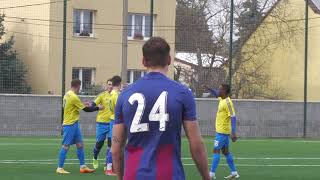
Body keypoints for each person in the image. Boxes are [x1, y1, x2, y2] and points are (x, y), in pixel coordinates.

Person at [111, 37, 210, 180]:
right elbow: (196, 143)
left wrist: (121, 177)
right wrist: (206, 177)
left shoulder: (125, 95)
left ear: (144, 61)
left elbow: (115, 149)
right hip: (169, 174)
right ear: (169, 60)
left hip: (135, 174)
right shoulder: (182, 93)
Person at [56, 79, 103, 174]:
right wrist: (98, 108)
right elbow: (86, 110)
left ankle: (83, 167)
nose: (79, 89)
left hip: (74, 124)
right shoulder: (73, 96)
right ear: (78, 86)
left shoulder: (67, 94)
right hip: (69, 124)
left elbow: (74, 106)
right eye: (79, 87)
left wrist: (83, 104)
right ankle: (59, 168)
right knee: (65, 146)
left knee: (80, 144)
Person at [203, 84, 240, 179]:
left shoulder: (228, 102)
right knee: (226, 152)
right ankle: (234, 172)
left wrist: (233, 131)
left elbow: (233, 117)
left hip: (222, 132)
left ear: (224, 91)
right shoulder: (222, 99)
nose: (218, 90)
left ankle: (211, 174)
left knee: (216, 150)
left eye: (220, 89)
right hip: (222, 131)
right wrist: (209, 88)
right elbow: (216, 93)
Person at [92, 80, 113, 171]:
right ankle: (95, 157)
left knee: (110, 144)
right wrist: (93, 106)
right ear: (106, 85)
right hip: (101, 123)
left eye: (112, 85)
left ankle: (107, 164)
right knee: (99, 144)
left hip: (111, 123)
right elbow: (93, 104)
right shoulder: (102, 95)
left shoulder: (116, 95)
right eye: (109, 84)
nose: (110, 86)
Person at [105, 75, 122, 176]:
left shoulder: (112, 94)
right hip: (116, 121)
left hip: (112, 119)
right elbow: (120, 109)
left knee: (112, 145)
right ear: (119, 84)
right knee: (114, 146)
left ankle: (110, 167)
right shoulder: (117, 95)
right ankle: (109, 168)